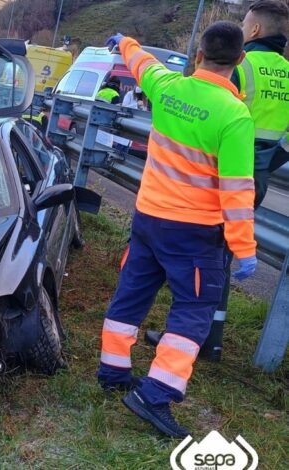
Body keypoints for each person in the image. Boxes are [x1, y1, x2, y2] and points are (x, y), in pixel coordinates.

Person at [98, 23, 257, 438]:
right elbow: (238, 190)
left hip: (148, 218)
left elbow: (141, 63)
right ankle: (155, 394)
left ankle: (113, 371)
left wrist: (124, 41)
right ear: (240, 61)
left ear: (199, 55)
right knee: (194, 309)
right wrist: (244, 248)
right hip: (194, 233)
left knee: (132, 292)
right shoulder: (234, 115)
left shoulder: (168, 86)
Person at [145, 0, 289, 362]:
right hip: (259, 177)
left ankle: (194, 337)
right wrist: (269, 161)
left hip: (216, 179)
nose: (241, 28)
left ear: (254, 31)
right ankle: (212, 338)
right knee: (219, 260)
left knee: (199, 261)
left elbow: (206, 114)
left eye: (244, 23)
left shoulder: (241, 65)